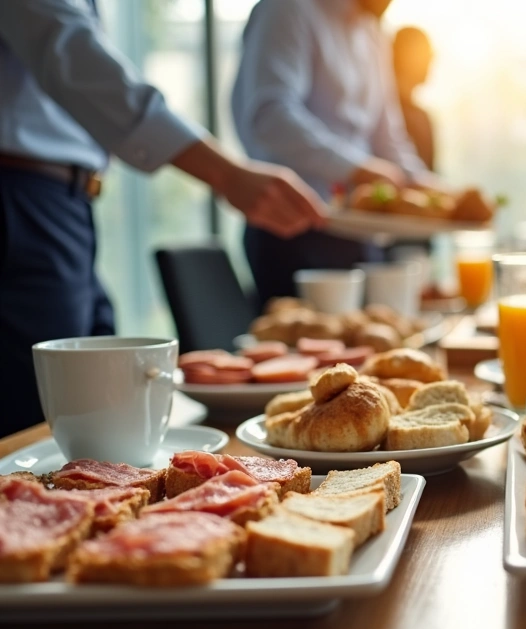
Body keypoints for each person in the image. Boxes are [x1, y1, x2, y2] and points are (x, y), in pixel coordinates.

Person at [0, 0, 327, 436]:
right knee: (36, 419)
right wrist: (225, 172)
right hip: (22, 195)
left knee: (89, 411)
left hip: (64, 201)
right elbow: (72, 55)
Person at [232, 0, 432, 306]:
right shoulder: (288, 9)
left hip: (361, 234)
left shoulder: (373, 35)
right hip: (292, 230)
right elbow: (271, 116)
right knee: (301, 334)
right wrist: (357, 169)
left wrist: (423, 183)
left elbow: (387, 136)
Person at [393, 26, 436, 172]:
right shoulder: (388, 115)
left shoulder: (422, 117)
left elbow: (429, 173)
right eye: (425, 53)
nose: (432, 59)